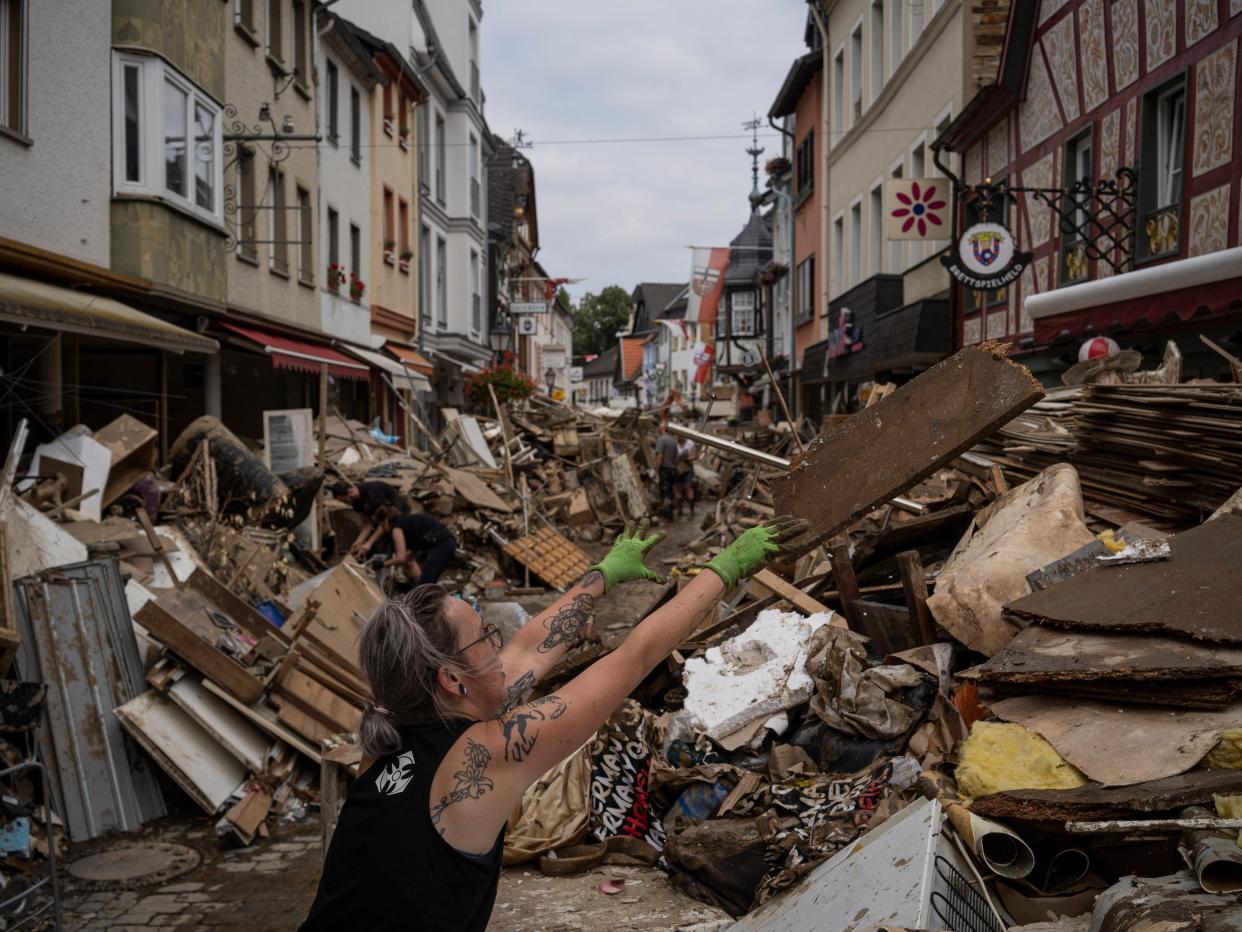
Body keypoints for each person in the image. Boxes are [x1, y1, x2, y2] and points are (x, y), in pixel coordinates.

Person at [300, 515, 807, 931]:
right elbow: (635, 656)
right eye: (485, 639)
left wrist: (602, 576)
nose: (499, 645)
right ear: (452, 680)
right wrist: (725, 568)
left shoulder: (388, 735)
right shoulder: (487, 753)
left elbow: (524, 653)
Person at [375, 505, 458, 585]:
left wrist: (382, 564)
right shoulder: (406, 522)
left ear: (386, 521)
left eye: (382, 526)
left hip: (442, 543)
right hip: (447, 543)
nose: (383, 529)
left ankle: (421, 596)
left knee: (426, 580)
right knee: (427, 580)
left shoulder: (397, 528)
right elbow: (410, 555)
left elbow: (401, 557)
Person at [330, 479, 410, 559]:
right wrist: (358, 542)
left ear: (350, 491)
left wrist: (369, 543)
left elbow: (386, 521)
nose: (347, 503)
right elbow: (367, 524)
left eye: (345, 500)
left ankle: (387, 566)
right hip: (383, 522)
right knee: (372, 547)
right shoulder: (355, 502)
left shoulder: (373, 492)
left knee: (384, 546)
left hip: (398, 516)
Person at [654, 422, 678, 520]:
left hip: (664, 469)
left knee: (665, 492)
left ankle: (668, 515)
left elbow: (659, 456)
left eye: (659, 428)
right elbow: (676, 457)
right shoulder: (673, 440)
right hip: (673, 469)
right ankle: (671, 513)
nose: (658, 430)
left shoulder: (661, 440)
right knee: (670, 491)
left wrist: (656, 470)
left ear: (662, 429)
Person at [674, 432, 697, 517]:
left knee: (688, 487)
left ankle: (691, 510)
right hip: (677, 467)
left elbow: (694, 455)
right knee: (677, 488)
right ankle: (679, 510)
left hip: (687, 467)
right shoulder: (674, 443)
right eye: (678, 435)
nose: (679, 437)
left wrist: (687, 458)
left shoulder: (690, 443)